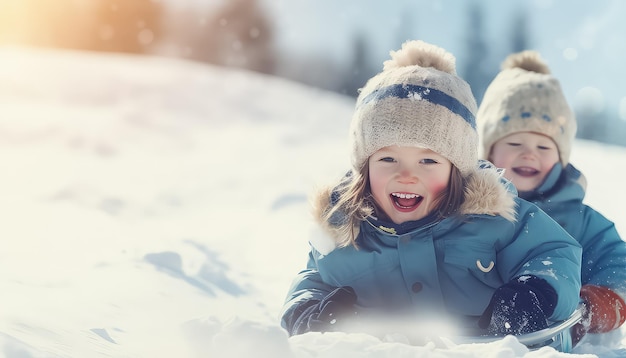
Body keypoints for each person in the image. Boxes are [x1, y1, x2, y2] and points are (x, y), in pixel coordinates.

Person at [280, 40, 582, 341]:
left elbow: (552, 252)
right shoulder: (343, 230)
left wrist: (535, 291)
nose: (407, 175)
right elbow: (313, 279)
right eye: (388, 158)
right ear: (364, 168)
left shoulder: (494, 220)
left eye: (428, 160)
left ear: (456, 171)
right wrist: (306, 311)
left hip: (499, 345)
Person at [476, 50, 626, 345]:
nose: (528, 153)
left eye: (544, 147)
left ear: (560, 158)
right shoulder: (467, 212)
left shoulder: (580, 221)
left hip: (554, 341)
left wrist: (594, 305)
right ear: (489, 152)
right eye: (515, 142)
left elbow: (618, 266)